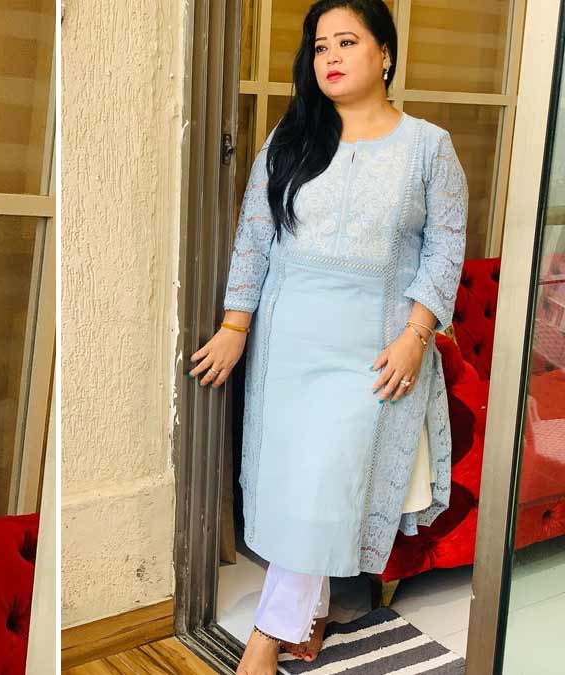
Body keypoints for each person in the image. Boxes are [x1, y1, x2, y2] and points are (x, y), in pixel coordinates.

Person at [186, 1, 467, 673]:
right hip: (288, 343)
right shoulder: (292, 140)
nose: (331, 57)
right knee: (296, 490)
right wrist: (234, 326)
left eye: (347, 42)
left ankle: (262, 642)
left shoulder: (428, 147)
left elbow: (445, 249)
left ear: (384, 54)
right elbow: (255, 235)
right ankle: (305, 611)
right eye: (320, 47)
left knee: (324, 484)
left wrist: (416, 335)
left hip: (371, 350)